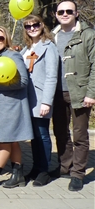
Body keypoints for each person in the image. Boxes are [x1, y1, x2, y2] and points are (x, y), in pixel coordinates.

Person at [0, 26, 32, 190]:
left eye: (0, 38)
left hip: (10, 106)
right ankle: (18, 175)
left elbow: (23, 81)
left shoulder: (13, 55)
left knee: (3, 142)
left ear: (6, 39)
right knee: (13, 142)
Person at [51, 0, 95, 192]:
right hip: (56, 93)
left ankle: (78, 173)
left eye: (69, 11)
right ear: (56, 14)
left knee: (80, 135)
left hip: (79, 91)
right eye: (61, 11)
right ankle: (65, 166)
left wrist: (91, 93)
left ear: (77, 13)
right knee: (60, 132)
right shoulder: (52, 36)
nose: (65, 13)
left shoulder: (88, 35)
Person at [20, 15, 59, 187]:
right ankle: (36, 167)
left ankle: (44, 170)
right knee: (34, 136)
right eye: (28, 26)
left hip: (41, 98)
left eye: (35, 25)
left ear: (42, 26)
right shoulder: (26, 48)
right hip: (27, 98)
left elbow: (52, 76)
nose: (32, 28)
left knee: (42, 135)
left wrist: (47, 101)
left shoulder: (49, 47)